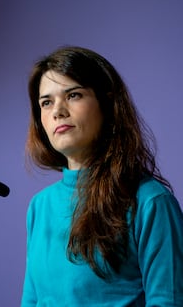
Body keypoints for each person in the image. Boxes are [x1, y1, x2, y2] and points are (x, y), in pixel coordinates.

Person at [22, 46, 183, 306]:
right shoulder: (39, 207)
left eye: (73, 95)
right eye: (46, 102)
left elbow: (168, 301)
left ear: (107, 105)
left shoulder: (151, 202)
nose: (57, 111)